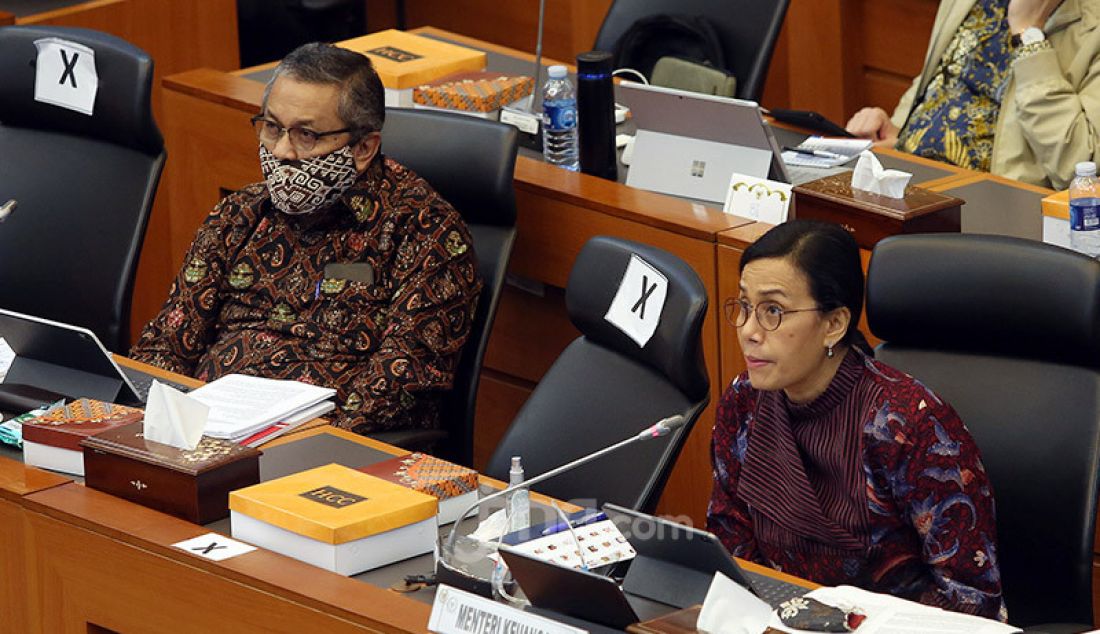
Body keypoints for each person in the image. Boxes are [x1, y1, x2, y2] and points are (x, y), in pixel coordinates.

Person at [130, 43, 481, 435]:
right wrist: (156, 423)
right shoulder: (240, 214)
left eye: (307, 135)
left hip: (325, 450)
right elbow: (167, 345)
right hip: (204, 434)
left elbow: (401, 380)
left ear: (363, 147)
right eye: (273, 127)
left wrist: (298, 446)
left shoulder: (422, 231)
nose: (282, 152)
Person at [707, 220, 1005, 620]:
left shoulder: (908, 426)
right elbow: (730, 545)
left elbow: (971, 602)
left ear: (834, 324)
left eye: (773, 311)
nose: (748, 331)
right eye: (745, 307)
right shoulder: (746, 400)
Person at [845, 0, 1099, 189]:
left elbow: (1080, 169)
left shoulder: (1092, 25)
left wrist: (1029, 35)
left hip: (993, 212)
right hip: (915, 182)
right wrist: (901, 130)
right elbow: (944, 74)